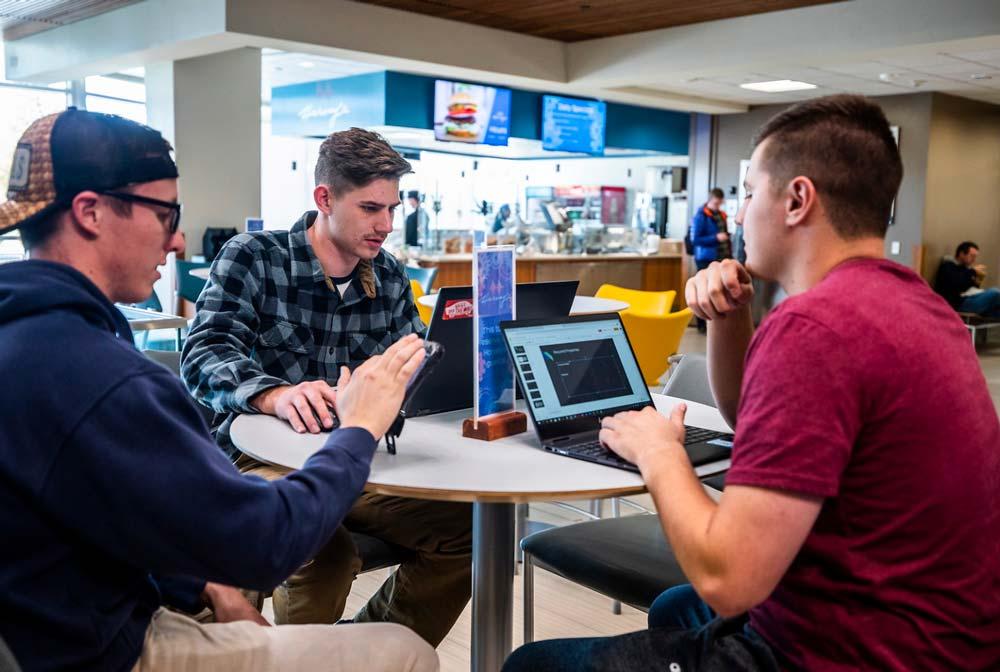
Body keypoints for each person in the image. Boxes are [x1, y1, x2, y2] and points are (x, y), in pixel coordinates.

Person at [503, 95, 1000, 671]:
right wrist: (730, 316)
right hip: (948, 633)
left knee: (530, 665)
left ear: (796, 200)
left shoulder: (816, 327)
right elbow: (757, 426)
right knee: (673, 607)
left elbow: (726, 578)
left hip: (859, 653)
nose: (738, 216)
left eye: (747, 193)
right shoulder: (918, 305)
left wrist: (660, 451)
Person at [0, 109, 437, 672]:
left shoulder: (32, 342)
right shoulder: (106, 379)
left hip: (70, 619)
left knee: (456, 533)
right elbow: (263, 543)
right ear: (90, 213)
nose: (180, 237)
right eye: (166, 214)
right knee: (405, 654)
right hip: (101, 646)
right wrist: (349, 425)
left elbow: (113, 514)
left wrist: (211, 586)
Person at [181, 128, 471, 646]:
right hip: (255, 463)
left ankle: (361, 654)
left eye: (392, 209)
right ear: (324, 198)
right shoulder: (254, 258)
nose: (385, 225)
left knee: (472, 533)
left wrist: (424, 376)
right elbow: (203, 355)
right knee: (324, 554)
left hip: (358, 461)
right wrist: (277, 394)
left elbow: (413, 372)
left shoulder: (388, 278)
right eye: (370, 208)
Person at [690, 188, 731, 331]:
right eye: (715, 203)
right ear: (710, 199)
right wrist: (715, 238)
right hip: (705, 258)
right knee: (704, 292)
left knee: (717, 291)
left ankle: (714, 324)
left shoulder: (721, 215)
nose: (717, 206)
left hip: (721, 258)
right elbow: (695, 239)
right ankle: (702, 325)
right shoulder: (701, 216)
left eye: (719, 203)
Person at [935, 241, 1000, 317]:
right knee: (995, 292)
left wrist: (978, 281)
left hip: (968, 299)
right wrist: (973, 271)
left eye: (975, 257)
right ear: (962, 254)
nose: (974, 260)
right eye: (972, 256)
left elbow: (970, 289)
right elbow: (955, 283)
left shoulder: (965, 269)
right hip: (956, 304)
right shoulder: (948, 266)